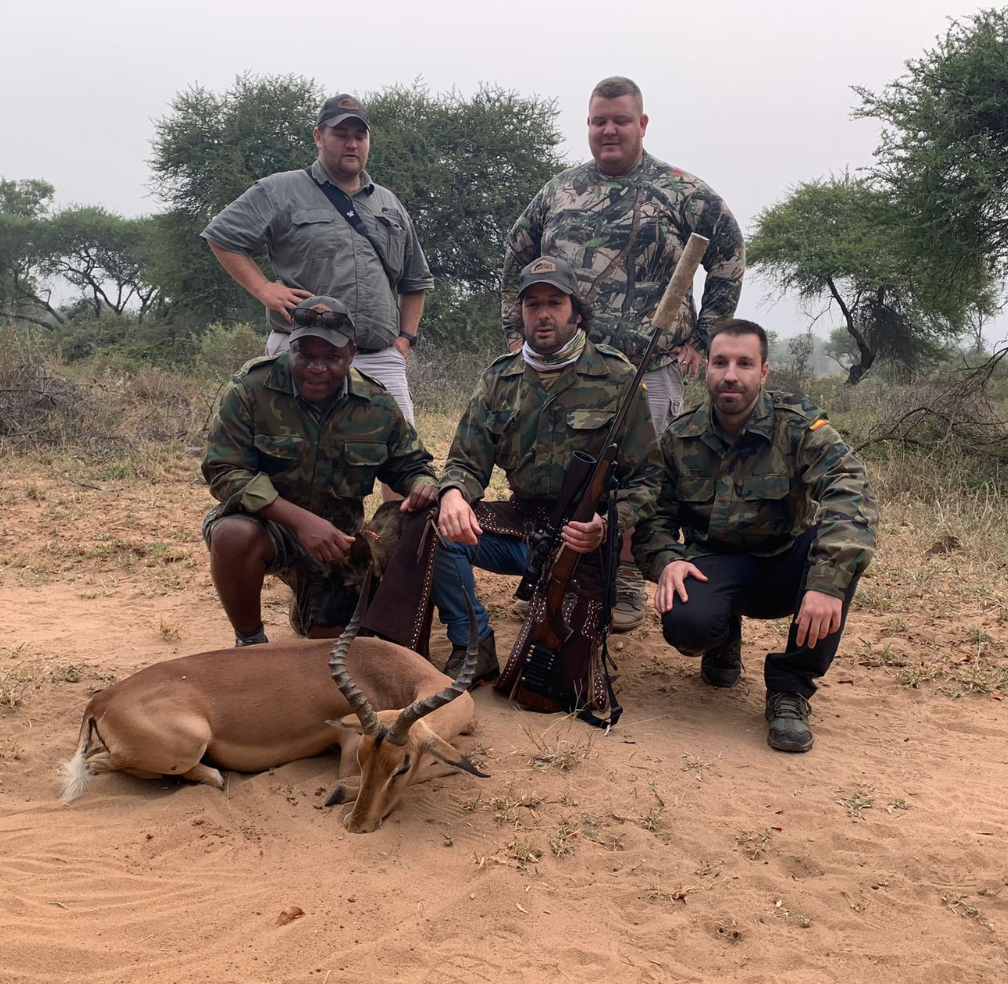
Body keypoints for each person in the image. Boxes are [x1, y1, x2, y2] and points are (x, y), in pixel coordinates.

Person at [501, 75, 744, 632]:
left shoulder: (684, 191)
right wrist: (513, 332)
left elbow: (728, 254)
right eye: (598, 121)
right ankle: (549, 569)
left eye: (620, 120)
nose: (608, 130)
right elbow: (516, 255)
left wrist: (705, 338)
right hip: (566, 365)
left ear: (642, 124)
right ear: (588, 126)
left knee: (638, 472)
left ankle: (626, 578)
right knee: (567, 469)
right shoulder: (558, 190)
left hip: (649, 367)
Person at [633, 319, 879, 752]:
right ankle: (721, 635)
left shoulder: (799, 426)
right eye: (720, 362)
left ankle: (790, 688)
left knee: (837, 555)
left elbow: (851, 493)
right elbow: (654, 517)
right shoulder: (679, 437)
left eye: (745, 363)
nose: (731, 374)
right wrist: (668, 560)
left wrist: (826, 584)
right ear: (704, 369)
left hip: (786, 563)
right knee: (687, 625)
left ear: (763, 372)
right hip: (716, 565)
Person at [434, 256, 662, 689]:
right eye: (532, 304)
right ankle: (474, 645)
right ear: (520, 313)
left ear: (575, 310)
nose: (542, 314)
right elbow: (466, 461)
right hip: (520, 526)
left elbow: (647, 478)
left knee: (551, 686)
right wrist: (453, 495)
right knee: (437, 530)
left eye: (554, 302)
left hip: (582, 538)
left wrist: (608, 525)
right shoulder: (499, 379)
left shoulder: (619, 377)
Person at [202, 296, 438, 646]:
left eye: (331, 357)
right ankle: (250, 641)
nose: (317, 367)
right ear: (290, 347)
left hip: (337, 546)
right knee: (232, 534)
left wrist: (422, 483)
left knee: (328, 645)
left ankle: (308, 607)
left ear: (352, 354)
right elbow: (224, 471)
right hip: (269, 527)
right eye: (306, 355)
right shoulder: (250, 388)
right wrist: (301, 522)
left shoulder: (376, 403)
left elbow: (412, 465)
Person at [201, 92, 433, 428]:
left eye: (359, 136)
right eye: (340, 134)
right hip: (302, 356)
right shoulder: (279, 189)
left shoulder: (388, 203)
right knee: (292, 453)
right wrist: (263, 288)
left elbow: (415, 279)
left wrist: (404, 341)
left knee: (403, 460)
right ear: (318, 137)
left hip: (379, 357)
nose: (351, 144)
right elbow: (222, 237)